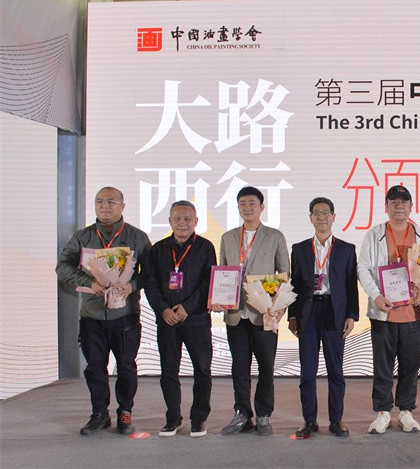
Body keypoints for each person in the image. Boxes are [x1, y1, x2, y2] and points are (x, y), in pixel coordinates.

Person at [56, 187, 151, 435]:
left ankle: (125, 412)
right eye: (99, 202)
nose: (104, 206)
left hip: (126, 315)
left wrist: (131, 286)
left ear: (122, 206)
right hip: (92, 315)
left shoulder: (137, 237)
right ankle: (99, 413)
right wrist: (91, 284)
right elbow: (62, 267)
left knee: (127, 366)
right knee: (95, 367)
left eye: (110, 202)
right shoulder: (82, 237)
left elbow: (151, 273)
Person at [357, 185, 420, 434]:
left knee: (411, 365)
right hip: (384, 313)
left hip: (413, 313)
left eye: (404, 201)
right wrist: (376, 295)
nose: (399, 205)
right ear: (386, 207)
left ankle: (405, 412)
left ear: (411, 206)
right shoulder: (374, 234)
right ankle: (382, 412)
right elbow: (363, 268)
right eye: (394, 201)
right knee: (383, 366)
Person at [216, 186, 290, 436]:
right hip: (236, 314)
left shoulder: (275, 236)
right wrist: (219, 298)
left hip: (264, 314)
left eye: (252, 203)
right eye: (243, 204)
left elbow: (284, 274)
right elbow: (223, 272)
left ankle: (264, 415)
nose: (247, 208)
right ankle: (242, 413)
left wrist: (279, 308)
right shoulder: (228, 237)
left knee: (266, 367)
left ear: (261, 207)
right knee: (239, 367)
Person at [141, 201, 217, 437]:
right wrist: (163, 309)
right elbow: (150, 283)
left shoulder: (205, 247)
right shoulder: (158, 249)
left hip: (196, 319)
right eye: (177, 218)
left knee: (202, 370)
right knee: (168, 370)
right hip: (167, 321)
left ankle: (198, 418)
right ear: (170, 221)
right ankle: (173, 418)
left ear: (196, 222)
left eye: (187, 219)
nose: (182, 223)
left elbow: (208, 282)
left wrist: (187, 307)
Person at [288, 197, 359, 438]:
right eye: (316, 213)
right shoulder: (299, 249)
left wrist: (351, 315)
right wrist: (292, 315)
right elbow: (295, 284)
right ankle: (309, 420)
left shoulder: (346, 249)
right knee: (308, 371)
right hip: (308, 313)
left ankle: (336, 420)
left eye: (325, 212)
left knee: (335, 370)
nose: (321, 217)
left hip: (334, 312)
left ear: (333, 217)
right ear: (310, 218)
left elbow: (350, 285)